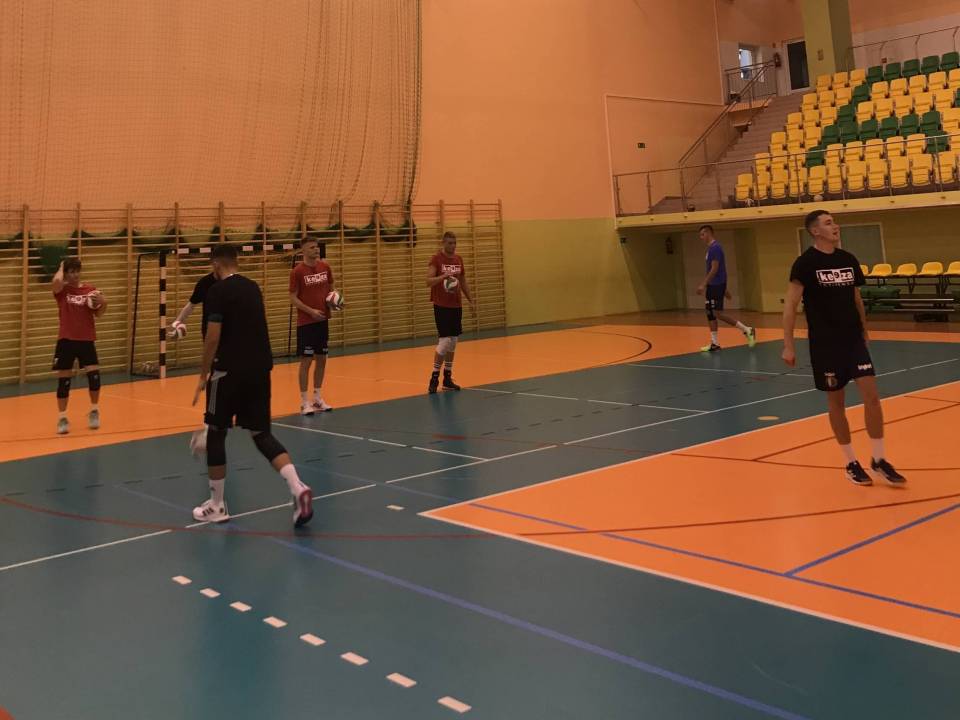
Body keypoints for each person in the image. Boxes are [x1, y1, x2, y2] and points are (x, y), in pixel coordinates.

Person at [191, 244, 314, 526]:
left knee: (216, 434)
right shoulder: (253, 287)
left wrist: (203, 373)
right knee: (261, 434)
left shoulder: (217, 291)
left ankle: (217, 506)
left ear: (216, 265)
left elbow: (212, 337)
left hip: (226, 372)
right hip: (260, 370)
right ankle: (298, 487)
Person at [783, 210, 905, 486]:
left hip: (853, 341)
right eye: (828, 223)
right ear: (815, 231)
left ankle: (879, 459)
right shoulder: (805, 264)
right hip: (825, 344)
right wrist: (788, 345)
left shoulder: (848, 260)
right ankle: (851, 462)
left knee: (872, 396)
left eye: (834, 222)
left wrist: (864, 329)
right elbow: (790, 305)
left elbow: (856, 298)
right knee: (837, 403)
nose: (835, 226)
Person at [52, 259, 107, 435]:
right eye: (71, 271)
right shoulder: (62, 291)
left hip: (86, 339)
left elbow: (99, 314)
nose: (75, 275)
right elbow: (56, 281)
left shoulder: (90, 290)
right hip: (66, 340)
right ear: (66, 273)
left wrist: (104, 302)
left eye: (77, 271)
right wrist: (61, 266)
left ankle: (94, 411)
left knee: (94, 377)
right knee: (64, 381)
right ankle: (62, 418)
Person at [289, 237, 334, 415]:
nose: (316, 250)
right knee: (306, 361)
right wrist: (310, 311)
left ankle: (317, 398)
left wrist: (334, 301)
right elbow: (293, 297)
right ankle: (304, 402)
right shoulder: (297, 272)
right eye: (312, 247)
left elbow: (331, 288)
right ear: (303, 250)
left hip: (322, 321)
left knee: (322, 359)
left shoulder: (325, 267)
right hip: (306, 323)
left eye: (317, 247)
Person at [695, 225, 756, 352]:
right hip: (714, 285)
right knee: (710, 313)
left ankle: (747, 329)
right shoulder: (711, 249)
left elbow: (715, 269)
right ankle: (714, 343)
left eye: (702, 234)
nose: (701, 237)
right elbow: (720, 270)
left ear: (708, 233)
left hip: (715, 285)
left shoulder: (715, 248)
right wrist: (724, 289)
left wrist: (703, 284)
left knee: (718, 313)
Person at [426, 231, 473, 393]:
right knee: (444, 341)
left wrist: (471, 300)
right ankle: (434, 378)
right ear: (443, 243)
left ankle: (447, 377)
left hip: (456, 306)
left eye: (454, 243)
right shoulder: (436, 259)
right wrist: (443, 277)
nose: (453, 246)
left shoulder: (458, 259)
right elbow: (428, 281)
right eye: (450, 243)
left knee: (453, 341)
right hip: (441, 305)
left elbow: (463, 281)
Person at [172, 269, 217, 339]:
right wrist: (177, 324)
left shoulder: (234, 283)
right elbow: (191, 305)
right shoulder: (205, 282)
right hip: (209, 332)